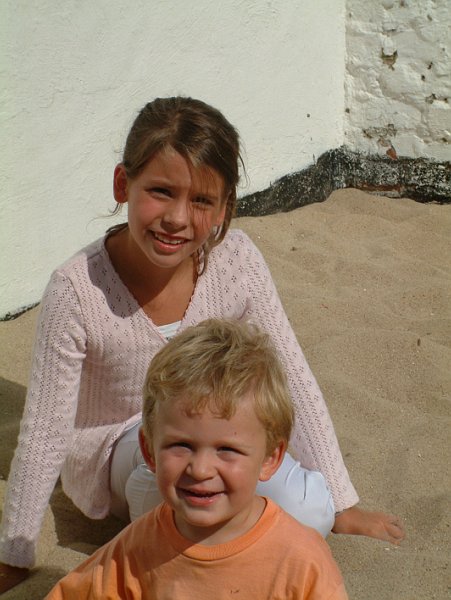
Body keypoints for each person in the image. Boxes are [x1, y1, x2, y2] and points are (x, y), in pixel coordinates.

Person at [0, 96, 404, 593]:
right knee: (172, 497)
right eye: (161, 191)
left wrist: (342, 504)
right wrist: (15, 553)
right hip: (125, 447)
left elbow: (291, 375)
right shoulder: (76, 289)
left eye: (201, 201)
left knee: (309, 513)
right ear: (123, 184)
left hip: (219, 427)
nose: (176, 218)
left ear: (225, 207)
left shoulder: (236, 260)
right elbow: (45, 429)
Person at [45, 319, 349, 600]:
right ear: (149, 451)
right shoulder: (137, 547)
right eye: (181, 445)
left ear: (270, 458)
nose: (201, 470)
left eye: (227, 450)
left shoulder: (301, 561)